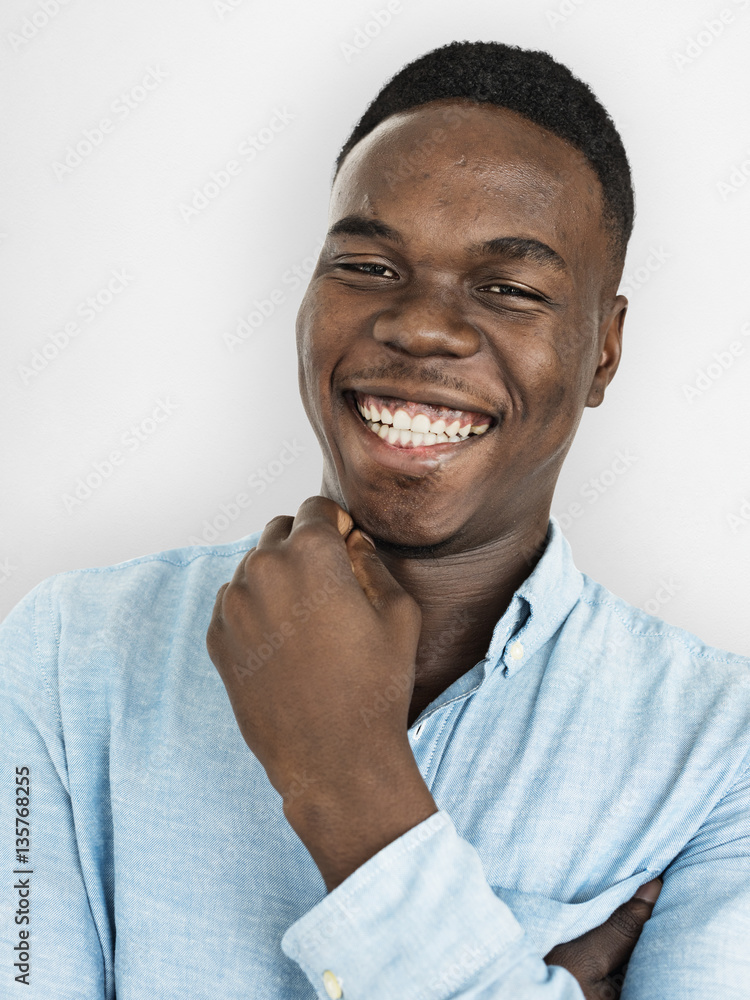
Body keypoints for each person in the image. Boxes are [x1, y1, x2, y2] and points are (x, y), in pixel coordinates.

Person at [2, 39, 749, 1000]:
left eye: (511, 288)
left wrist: (351, 783)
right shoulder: (67, 660)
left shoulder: (723, 759)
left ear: (604, 351)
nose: (423, 326)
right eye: (367, 264)